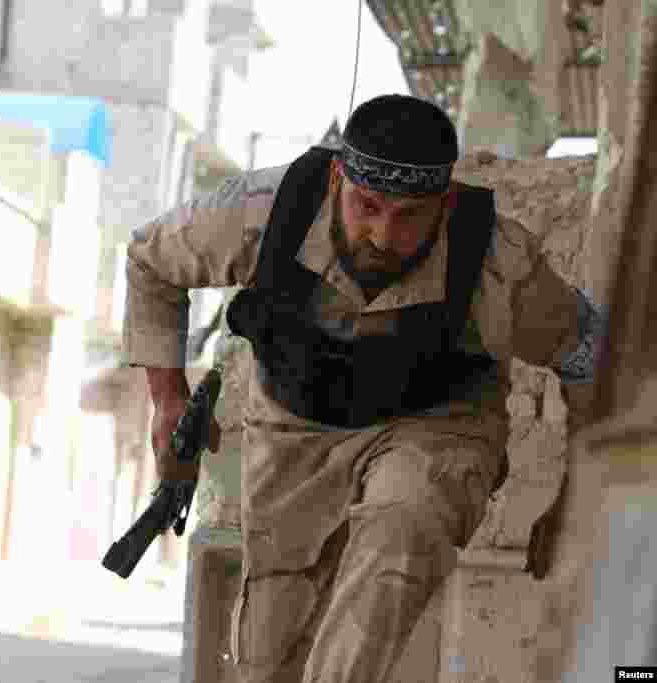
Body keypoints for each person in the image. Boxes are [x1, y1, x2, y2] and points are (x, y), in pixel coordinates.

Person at [120, 94, 603, 683]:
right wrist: (167, 399)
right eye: (366, 206)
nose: (383, 234)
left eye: (409, 217)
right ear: (336, 177)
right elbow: (151, 261)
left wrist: (573, 495)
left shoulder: (497, 262)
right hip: (295, 428)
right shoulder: (264, 210)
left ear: (445, 203)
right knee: (266, 654)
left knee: (401, 530)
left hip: (436, 424)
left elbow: (589, 357)